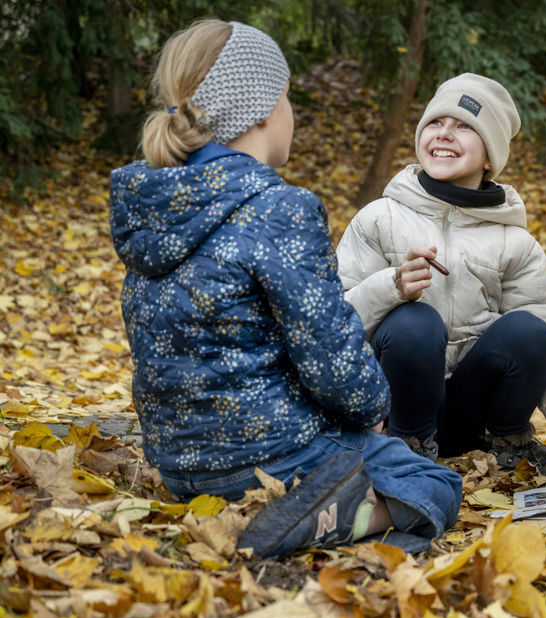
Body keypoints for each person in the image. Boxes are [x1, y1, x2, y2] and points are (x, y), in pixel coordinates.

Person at [109, 19, 462, 558]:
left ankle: (285, 509)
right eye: (289, 96)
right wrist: (371, 410)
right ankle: (311, 519)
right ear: (265, 109)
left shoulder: (154, 205)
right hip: (271, 456)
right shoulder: (279, 209)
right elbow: (331, 354)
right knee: (436, 486)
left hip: (178, 465)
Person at [336, 73, 546, 479]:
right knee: (414, 321)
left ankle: (507, 445)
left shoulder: (514, 242)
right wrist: (391, 287)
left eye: (464, 126)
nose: (444, 134)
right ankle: (408, 453)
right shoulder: (378, 219)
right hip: (392, 415)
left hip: (468, 414)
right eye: (435, 123)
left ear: (491, 155)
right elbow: (332, 324)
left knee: (530, 330)